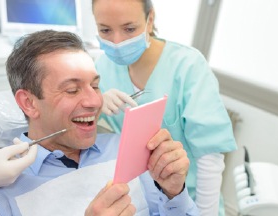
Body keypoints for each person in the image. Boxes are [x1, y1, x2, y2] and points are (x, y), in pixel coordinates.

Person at [0, 30, 199, 216]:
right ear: (29, 103)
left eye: (95, 86)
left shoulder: (124, 149)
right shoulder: (0, 192)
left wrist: (173, 193)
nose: (95, 101)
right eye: (72, 90)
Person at [92, 0, 237, 215]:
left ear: (150, 20)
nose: (117, 41)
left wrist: (206, 212)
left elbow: (210, 156)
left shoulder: (187, 66)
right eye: (105, 30)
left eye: (129, 29)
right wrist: (97, 105)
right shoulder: (103, 66)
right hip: (140, 197)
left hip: (190, 197)